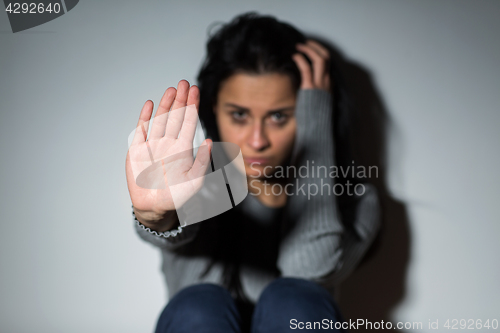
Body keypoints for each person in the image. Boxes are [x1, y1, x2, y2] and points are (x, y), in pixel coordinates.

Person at [125, 12, 381, 333]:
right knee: (198, 306)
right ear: (214, 110)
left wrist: (314, 138)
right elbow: (165, 226)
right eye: (240, 115)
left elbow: (309, 269)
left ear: (310, 114)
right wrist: (155, 214)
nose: (258, 141)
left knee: (295, 301)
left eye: (278, 116)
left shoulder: (355, 200)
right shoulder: (194, 182)